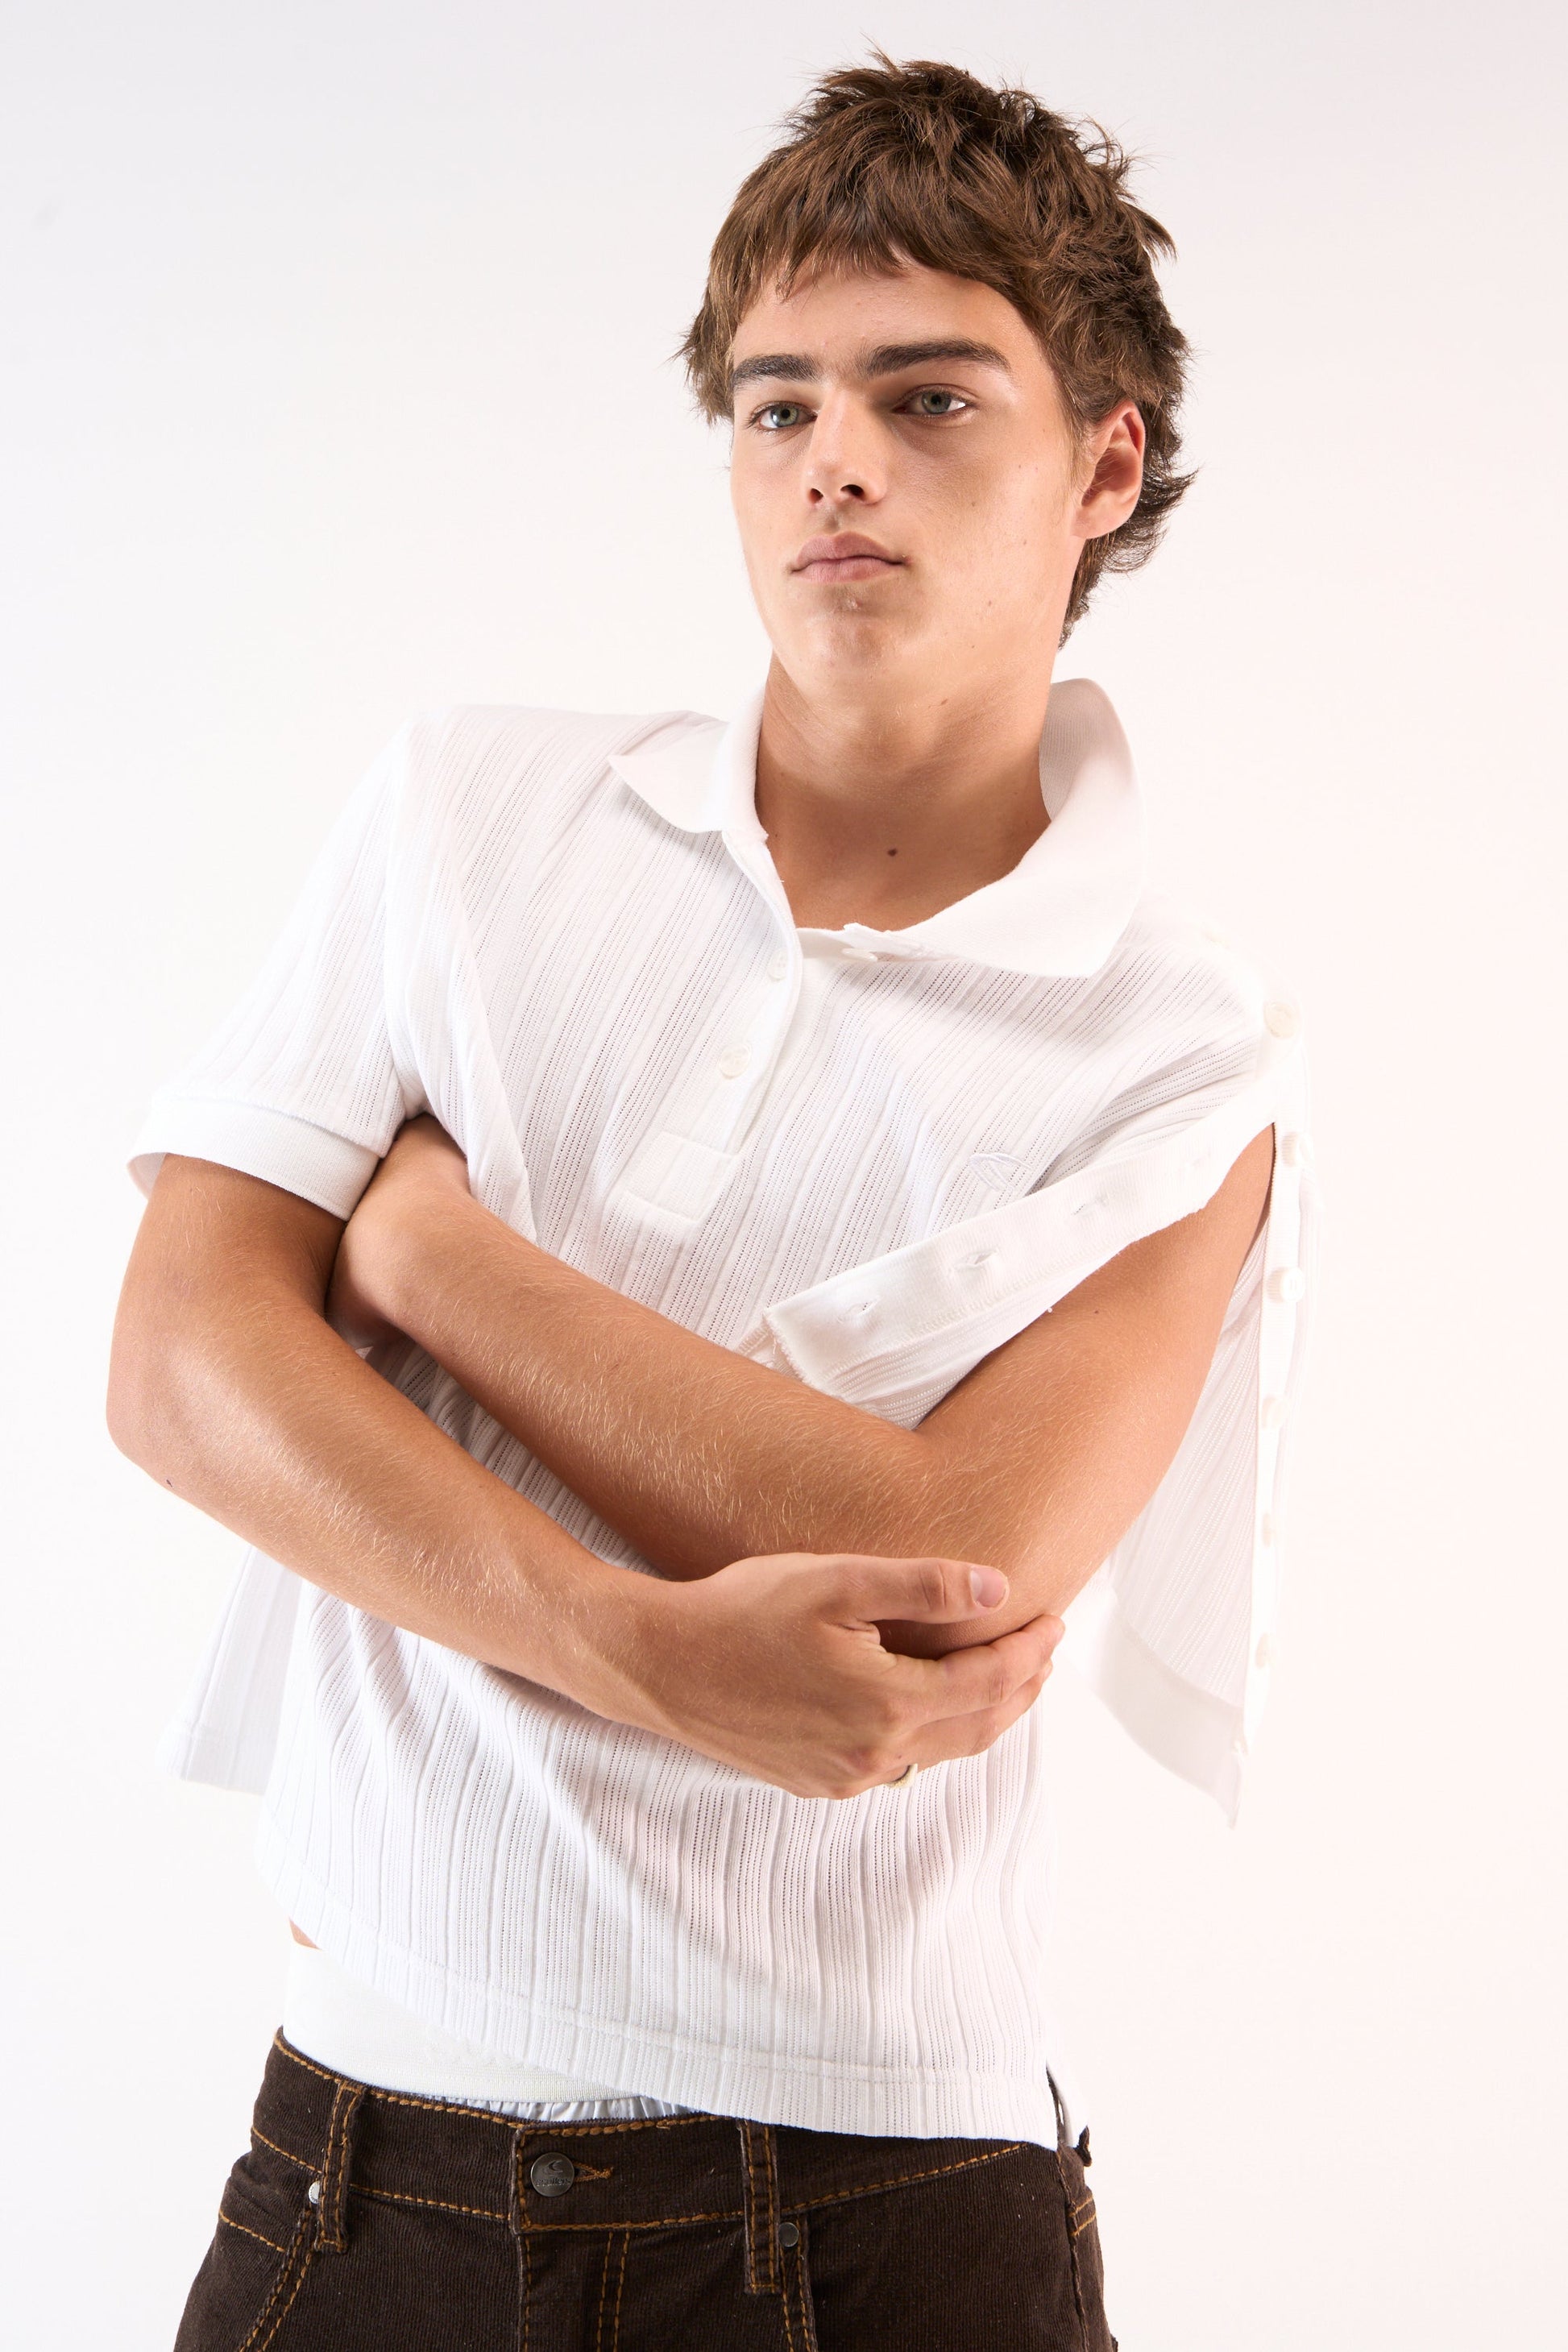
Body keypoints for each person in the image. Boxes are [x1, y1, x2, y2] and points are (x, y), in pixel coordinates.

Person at [110, 52, 1317, 2352]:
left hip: (867, 2214)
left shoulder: (1184, 1047)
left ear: (1103, 462)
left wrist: (424, 1256)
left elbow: (955, 1573)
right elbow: (179, 1362)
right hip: (355, 2170)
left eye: (926, 396)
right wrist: (623, 1639)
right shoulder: (472, 814)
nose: (832, 458)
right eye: (777, 407)